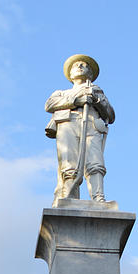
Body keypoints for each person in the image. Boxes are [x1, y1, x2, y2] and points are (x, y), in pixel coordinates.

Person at [45, 54, 115, 203]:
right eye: (76, 65)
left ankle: (98, 198)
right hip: (67, 123)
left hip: (91, 125)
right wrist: (77, 100)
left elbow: (111, 115)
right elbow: (49, 105)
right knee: (69, 163)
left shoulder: (97, 91)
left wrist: (97, 100)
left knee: (95, 162)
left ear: (90, 73)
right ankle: (69, 197)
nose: (80, 67)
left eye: (84, 65)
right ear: (70, 74)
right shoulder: (61, 93)